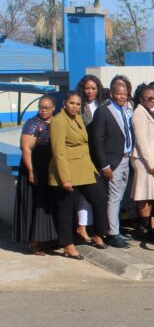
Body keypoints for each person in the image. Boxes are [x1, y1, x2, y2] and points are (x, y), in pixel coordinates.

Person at [49, 92, 110, 259]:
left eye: (77, 104)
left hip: (85, 169)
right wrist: (65, 178)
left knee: (101, 198)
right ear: (64, 104)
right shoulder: (59, 122)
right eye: (72, 103)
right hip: (67, 171)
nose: (75, 107)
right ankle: (68, 245)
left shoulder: (78, 119)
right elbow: (58, 152)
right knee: (66, 210)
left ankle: (98, 233)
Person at [12, 96, 58, 255]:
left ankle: (48, 238)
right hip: (35, 168)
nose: (43, 110)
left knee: (48, 204)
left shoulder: (57, 122)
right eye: (41, 107)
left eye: (46, 107)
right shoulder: (32, 124)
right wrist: (31, 171)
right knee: (35, 204)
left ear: (53, 107)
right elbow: (25, 149)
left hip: (49, 169)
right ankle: (34, 242)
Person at [89, 83, 133, 249]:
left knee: (119, 197)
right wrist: (104, 164)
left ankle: (116, 229)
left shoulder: (127, 111)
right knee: (113, 198)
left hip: (126, 158)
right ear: (112, 94)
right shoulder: (103, 112)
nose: (123, 97)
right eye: (119, 94)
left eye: (125, 94)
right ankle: (112, 234)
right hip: (112, 162)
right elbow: (97, 140)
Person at [75, 75, 106, 240]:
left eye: (94, 88)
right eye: (87, 88)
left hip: (100, 155)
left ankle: (98, 228)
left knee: (100, 194)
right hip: (84, 155)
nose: (90, 91)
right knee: (85, 193)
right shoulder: (78, 107)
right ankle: (82, 226)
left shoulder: (103, 104)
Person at [131, 84, 154, 241]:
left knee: (150, 195)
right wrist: (151, 162)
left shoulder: (148, 112)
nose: (152, 101)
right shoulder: (138, 114)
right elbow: (141, 140)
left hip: (149, 160)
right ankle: (143, 227)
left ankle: (150, 225)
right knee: (143, 195)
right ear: (141, 99)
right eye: (148, 98)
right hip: (144, 160)